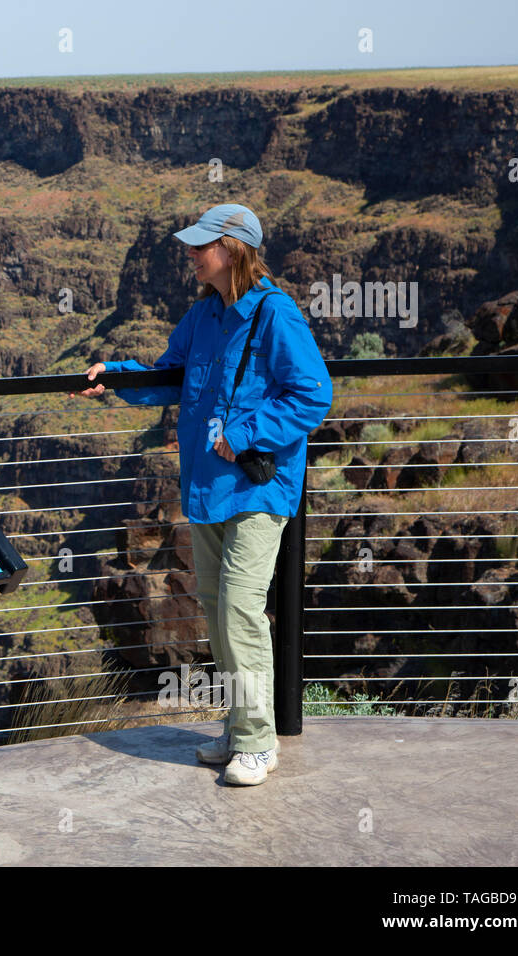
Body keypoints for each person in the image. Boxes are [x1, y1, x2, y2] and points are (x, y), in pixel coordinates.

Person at [78, 203, 332, 786]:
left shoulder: (276, 315)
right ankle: (241, 725)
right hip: (207, 491)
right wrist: (113, 377)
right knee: (219, 616)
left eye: (200, 246)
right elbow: (167, 375)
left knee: (240, 608)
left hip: (258, 491)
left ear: (233, 248)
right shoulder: (201, 316)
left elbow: (313, 394)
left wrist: (243, 433)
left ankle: (257, 743)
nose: (191, 254)